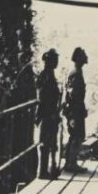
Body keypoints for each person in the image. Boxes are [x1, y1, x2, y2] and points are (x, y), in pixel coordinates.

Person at [35, 49, 61, 179]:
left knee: (50, 141)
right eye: (55, 60)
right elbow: (43, 97)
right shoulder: (45, 76)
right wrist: (48, 113)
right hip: (47, 113)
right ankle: (43, 171)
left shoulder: (49, 75)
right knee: (46, 141)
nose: (57, 62)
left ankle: (49, 169)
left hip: (51, 112)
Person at [62, 48, 88, 173]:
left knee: (76, 135)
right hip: (74, 110)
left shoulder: (77, 71)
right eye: (83, 56)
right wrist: (73, 114)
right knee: (76, 136)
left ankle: (71, 162)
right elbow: (73, 95)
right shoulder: (76, 73)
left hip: (76, 109)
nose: (86, 58)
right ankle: (71, 163)